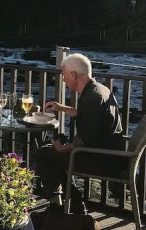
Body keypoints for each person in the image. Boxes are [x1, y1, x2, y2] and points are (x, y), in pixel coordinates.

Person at [36, 53, 126, 214]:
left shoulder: (91, 99)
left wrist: (62, 148)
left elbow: (85, 140)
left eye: (64, 76)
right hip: (112, 155)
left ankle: (62, 205)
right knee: (53, 153)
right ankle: (74, 203)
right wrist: (61, 108)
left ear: (73, 74)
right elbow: (88, 118)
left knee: (45, 154)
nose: (64, 80)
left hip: (102, 160)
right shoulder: (100, 90)